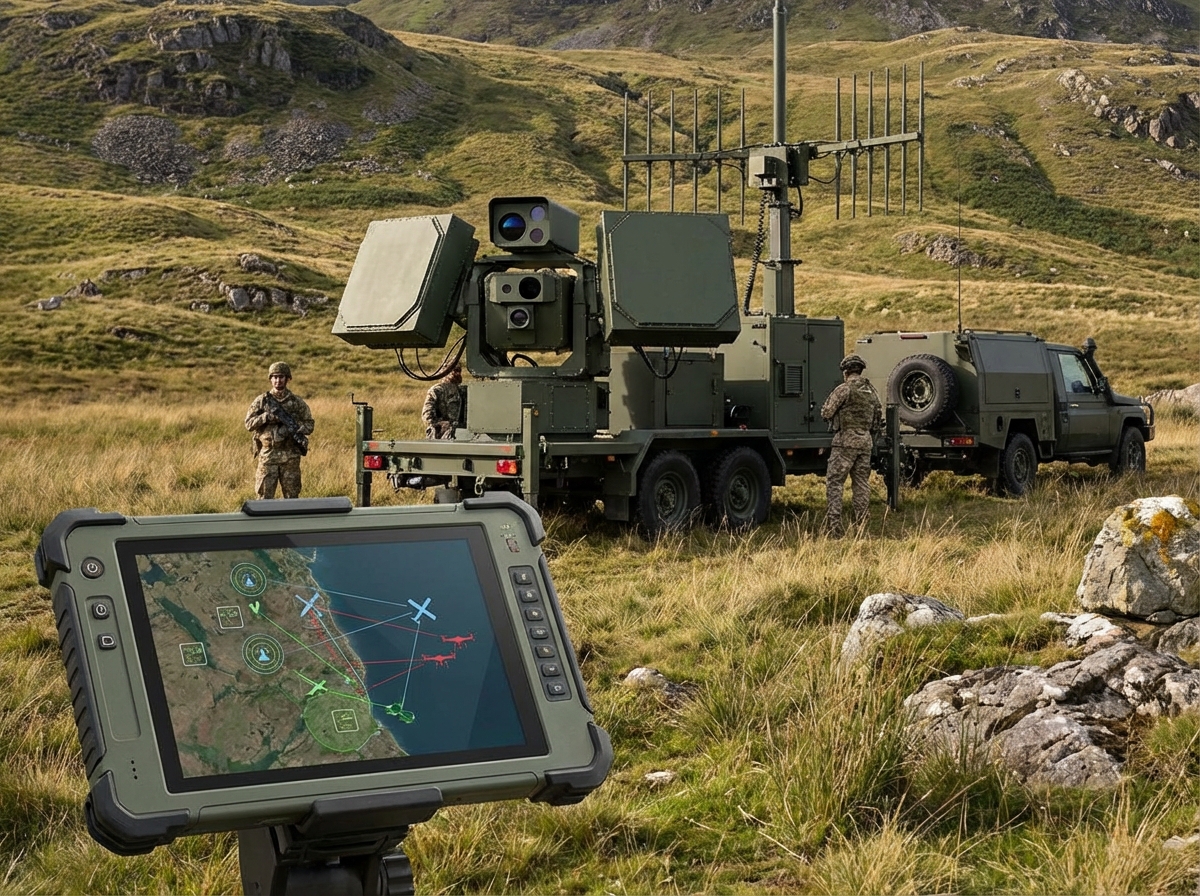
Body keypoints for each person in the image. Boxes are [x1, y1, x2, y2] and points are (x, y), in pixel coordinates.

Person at [821, 353, 883, 536]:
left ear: (846, 371)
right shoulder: (871, 392)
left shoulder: (844, 389)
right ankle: (861, 527)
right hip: (865, 443)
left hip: (845, 443)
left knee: (835, 483)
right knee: (861, 484)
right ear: (860, 370)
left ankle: (835, 528)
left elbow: (826, 412)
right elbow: (878, 420)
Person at [244, 361, 314, 499]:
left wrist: (297, 427)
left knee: (292, 497)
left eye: (281, 377)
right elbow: (249, 424)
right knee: (264, 499)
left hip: (291, 456)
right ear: (270, 379)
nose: (278, 380)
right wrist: (266, 417)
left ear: (288, 379)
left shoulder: (296, 402)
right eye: (274, 377)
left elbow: (310, 425)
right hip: (268, 456)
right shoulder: (262, 401)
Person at [422, 364, 464, 439]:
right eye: (454, 370)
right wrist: (442, 425)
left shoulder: (462, 390)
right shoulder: (437, 390)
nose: (457, 373)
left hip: (460, 435)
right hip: (440, 437)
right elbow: (427, 415)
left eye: (458, 370)